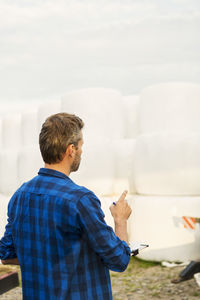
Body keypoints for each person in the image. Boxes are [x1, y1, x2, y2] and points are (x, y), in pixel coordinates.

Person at [0, 113, 132, 300]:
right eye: (81, 146)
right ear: (71, 149)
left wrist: (46, 260)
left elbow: (6, 254)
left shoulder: (19, 196)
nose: (81, 151)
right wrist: (120, 220)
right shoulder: (80, 200)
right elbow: (119, 260)